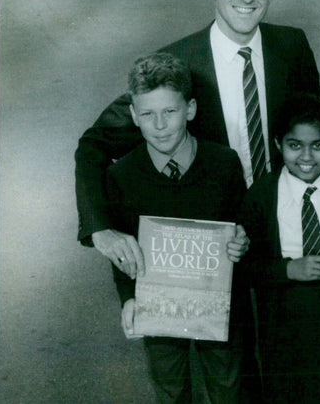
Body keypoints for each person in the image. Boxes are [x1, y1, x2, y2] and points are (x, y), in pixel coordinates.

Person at [75, 0, 320, 259]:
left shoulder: (292, 47)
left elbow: (313, 130)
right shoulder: (177, 64)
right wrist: (100, 228)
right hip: (211, 244)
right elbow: (95, 144)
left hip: (283, 226)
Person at [104, 53, 250, 403]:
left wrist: (243, 242)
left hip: (219, 303)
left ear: (191, 109)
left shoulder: (224, 162)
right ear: (135, 117)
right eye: (148, 114)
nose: (160, 125)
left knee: (228, 386)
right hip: (158, 304)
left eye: (169, 112)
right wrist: (128, 298)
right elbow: (121, 248)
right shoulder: (121, 175)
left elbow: (244, 225)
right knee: (170, 389)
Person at [237, 94, 320, 403]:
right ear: (277, 143)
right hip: (284, 328)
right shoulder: (261, 196)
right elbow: (243, 267)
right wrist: (288, 268)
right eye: (294, 145)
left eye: (319, 146)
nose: (307, 157)